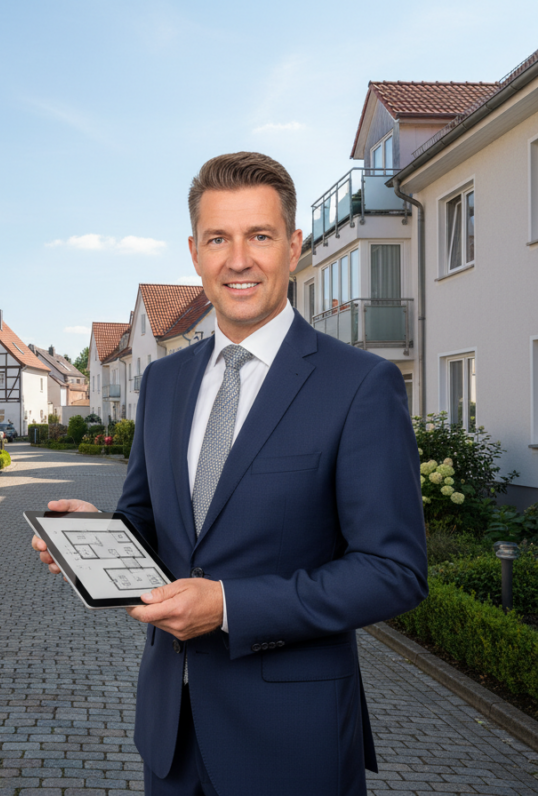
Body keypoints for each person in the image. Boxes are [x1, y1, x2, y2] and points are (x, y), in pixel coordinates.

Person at [32, 152, 427, 796]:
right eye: (219, 238)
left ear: (293, 247)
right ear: (195, 252)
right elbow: (152, 522)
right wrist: (97, 538)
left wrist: (228, 606)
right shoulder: (163, 382)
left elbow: (394, 572)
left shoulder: (359, 384)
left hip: (293, 744)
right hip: (172, 735)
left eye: (260, 236)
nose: (238, 260)